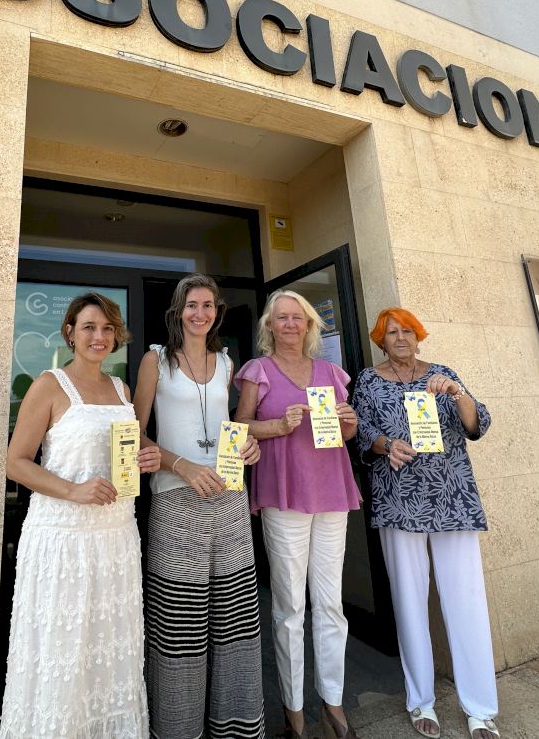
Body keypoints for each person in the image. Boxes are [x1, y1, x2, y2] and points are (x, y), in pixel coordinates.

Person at [0, 292, 161, 738]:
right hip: (63, 542)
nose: (99, 336)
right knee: (63, 652)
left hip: (116, 539)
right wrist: (73, 490)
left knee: (108, 650)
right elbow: (15, 463)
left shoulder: (121, 389)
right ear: (70, 332)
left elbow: (126, 451)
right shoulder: (50, 385)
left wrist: (147, 458)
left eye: (108, 328)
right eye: (89, 327)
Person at [350, 307, 498, 739]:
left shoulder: (443, 373)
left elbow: (477, 424)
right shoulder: (369, 380)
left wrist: (456, 392)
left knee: (466, 599)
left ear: (418, 336)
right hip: (399, 500)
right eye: (391, 332)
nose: (401, 338)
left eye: (408, 331)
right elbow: (361, 434)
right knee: (409, 602)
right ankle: (421, 701)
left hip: (452, 496)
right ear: (381, 341)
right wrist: (386, 445)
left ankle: (480, 708)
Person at [133, 273, 265, 739]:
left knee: (235, 618)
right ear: (178, 311)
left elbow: (228, 426)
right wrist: (182, 465)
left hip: (229, 497)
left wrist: (248, 447)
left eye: (208, 305)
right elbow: (135, 434)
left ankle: (235, 727)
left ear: (217, 312)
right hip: (176, 499)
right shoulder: (155, 360)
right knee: (180, 623)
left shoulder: (227, 363)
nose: (200, 312)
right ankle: (178, 728)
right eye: (192, 304)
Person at [234, 289, 362, 739]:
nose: (290, 324)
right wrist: (279, 425)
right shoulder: (258, 370)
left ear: (309, 325)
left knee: (331, 604)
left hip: (331, 492)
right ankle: (294, 712)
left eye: (298, 317)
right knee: (290, 607)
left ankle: (334, 703)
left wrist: (350, 424)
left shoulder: (331, 372)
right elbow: (239, 427)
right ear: (269, 325)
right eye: (282, 317)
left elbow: (345, 434)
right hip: (284, 494)